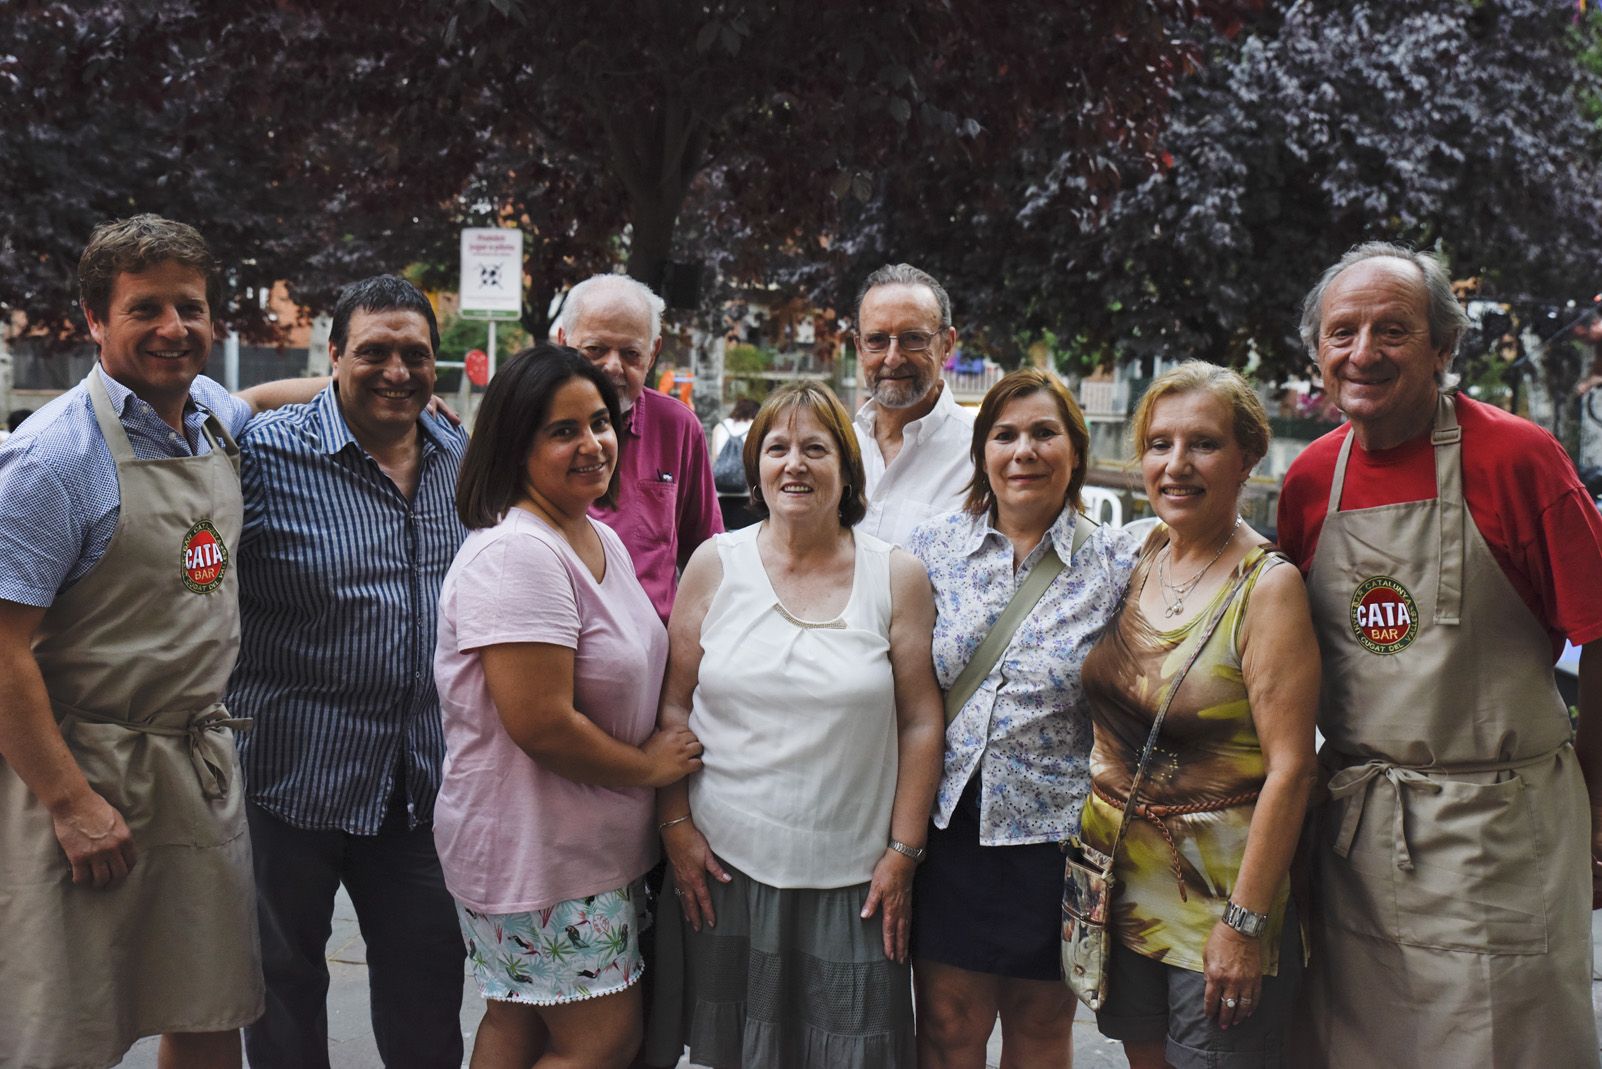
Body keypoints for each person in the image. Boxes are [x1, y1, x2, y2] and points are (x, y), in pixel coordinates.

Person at [0, 214, 325, 1069]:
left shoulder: (214, 416)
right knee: (67, 1026)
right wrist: (70, 804)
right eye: (145, 309)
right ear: (94, 321)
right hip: (80, 769)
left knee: (208, 1004)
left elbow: (260, 398)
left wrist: (346, 391)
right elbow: (2, 655)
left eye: (191, 307)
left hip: (198, 768)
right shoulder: (51, 461)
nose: (174, 329)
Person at [1277, 242, 1602, 1067]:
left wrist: (1600, 813)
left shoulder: (1521, 459)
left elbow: (1600, 638)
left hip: (1500, 832)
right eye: (1342, 331)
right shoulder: (1313, 480)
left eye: (1393, 330)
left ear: (1443, 349)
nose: (1363, 352)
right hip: (1356, 835)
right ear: (1318, 350)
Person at [646, 381, 945, 1068]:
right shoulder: (716, 563)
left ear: (847, 467)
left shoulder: (895, 575)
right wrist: (676, 827)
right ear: (756, 466)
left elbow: (922, 722)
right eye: (777, 447)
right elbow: (672, 708)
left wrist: (903, 853)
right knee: (732, 1053)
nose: (795, 464)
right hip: (724, 871)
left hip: (855, 882)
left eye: (816, 448)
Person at [433, 344, 704, 1068]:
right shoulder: (518, 555)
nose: (593, 444)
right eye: (563, 430)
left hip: (582, 846)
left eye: (601, 422)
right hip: (536, 849)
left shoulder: (594, 533)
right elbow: (542, 724)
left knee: (521, 1022)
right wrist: (649, 767)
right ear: (516, 445)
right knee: (601, 1041)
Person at [227, 275, 469, 1067]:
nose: (397, 370)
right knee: (283, 989)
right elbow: (187, 405)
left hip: (417, 783)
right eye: (373, 352)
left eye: (416, 354)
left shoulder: (460, 460)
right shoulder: (260, 454)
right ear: (333, 356)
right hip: (287, 777)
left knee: (429, 987)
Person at [1079, 362, 1318, 1068]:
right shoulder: (1145, 553)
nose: (1176, 465)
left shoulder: (1268, 588)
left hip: (1220, 905)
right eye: (1158, 443)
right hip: (1121, 891)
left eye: (1203, 444)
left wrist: (1243, 925)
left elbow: (1292, 768)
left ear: (1249, 456)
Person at [906, 368, 1138, 1069]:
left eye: (1044, 433)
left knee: (1041, 1026)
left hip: (1057, 834)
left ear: (1075, 449)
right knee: (947, 1025)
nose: (1023, 450)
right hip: (948, 824)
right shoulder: (932, 548)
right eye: (1004, 435)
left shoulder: (1118, 558)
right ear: (981, 452)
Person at [555, 274, 723, 624]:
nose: (613, 367)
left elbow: (707, 554)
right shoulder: (530, 424)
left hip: (655, 660)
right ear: (563, 342)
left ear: (653, 353)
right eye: (595, 350)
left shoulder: (678, 428)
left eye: (630, 353)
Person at [851, 263, 976, 546]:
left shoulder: (983, 455)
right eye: (877, 340)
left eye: (913, 339)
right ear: (859, 347)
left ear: (947, 344)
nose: (893, 358)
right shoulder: (838, 448)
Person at [711, 396, 760, 529]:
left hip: (720, 492)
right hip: (745, 494)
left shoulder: (720, 427)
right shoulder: (755, 426)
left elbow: (715, 459)